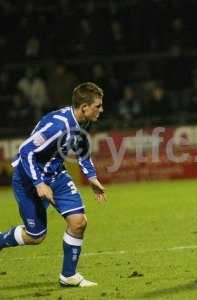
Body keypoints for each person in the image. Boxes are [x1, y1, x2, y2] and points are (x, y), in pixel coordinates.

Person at [0, 82, 107, 287]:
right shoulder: (58, 125)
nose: (101, 110)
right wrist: (39, 183)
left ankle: (68, 276)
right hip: (28, 179)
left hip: (56, 175)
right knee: (36, 236)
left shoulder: (83, 121)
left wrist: (91, 176)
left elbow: (81, 145)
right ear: (84, 107)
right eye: (98, 106)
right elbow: (25, 151)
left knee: (79, 222)